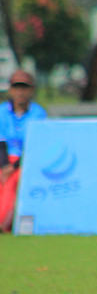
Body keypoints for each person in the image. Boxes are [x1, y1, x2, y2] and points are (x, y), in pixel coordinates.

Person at [0, 69, 47, 233]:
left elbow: (33, 145)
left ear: (31, 90)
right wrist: (5, 165)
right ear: (11, 90)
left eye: (24, 88)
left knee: (12, 181)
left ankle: (2, 221)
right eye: (16, 87)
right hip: (5, 159)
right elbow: (1, 142)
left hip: (26, 160)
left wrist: (12, 167)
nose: (20, 92)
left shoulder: (38, 113)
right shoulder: (2, 111)